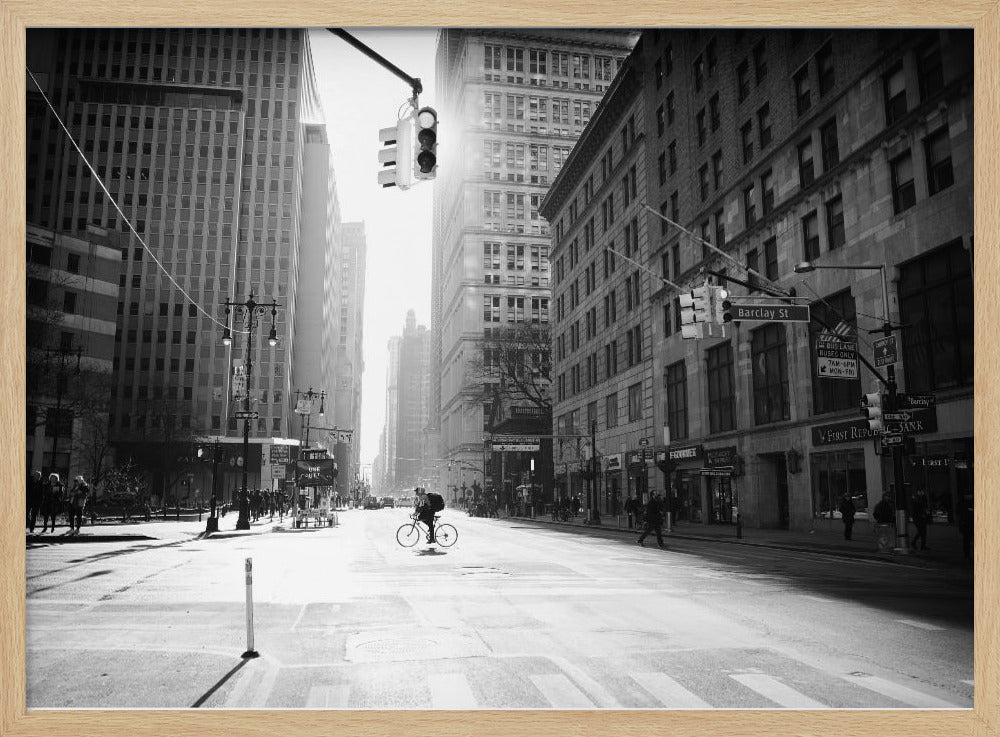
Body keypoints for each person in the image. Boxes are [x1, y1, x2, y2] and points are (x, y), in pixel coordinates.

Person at [958, 493, 974, 561]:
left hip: (970, 524)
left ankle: (968, 555)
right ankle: (967, 555)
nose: (970, 496)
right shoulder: (962, 504)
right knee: (966, 540)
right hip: (966, 525)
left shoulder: (972, 502)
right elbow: (960, 513)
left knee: (967, 540)